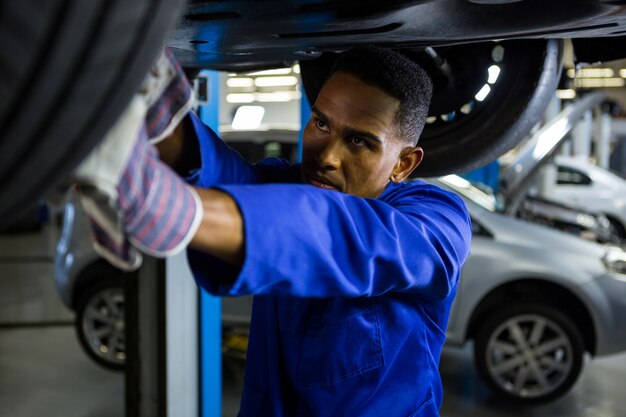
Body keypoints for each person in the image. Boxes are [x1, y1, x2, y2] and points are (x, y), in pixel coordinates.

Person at [75, 45, 472, 417]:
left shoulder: (437, 220)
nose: (327, 157)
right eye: (321, 123)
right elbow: (228, 180)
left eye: (358, 142)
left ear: (403, 164)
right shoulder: (293, 186)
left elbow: (348, 237)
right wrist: (152, 109)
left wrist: (170, 207)